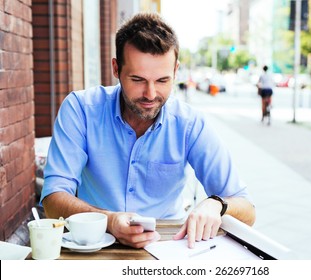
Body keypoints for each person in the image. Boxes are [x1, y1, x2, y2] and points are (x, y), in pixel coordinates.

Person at [40, 12, 255, 250]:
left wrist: (217, 204)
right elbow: (53, 198)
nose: (151, 94)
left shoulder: (190, 124)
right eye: (138, 79)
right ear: (116, 68)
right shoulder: (80, 109)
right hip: (94, 242)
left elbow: (247, 210)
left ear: (176, 70)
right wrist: (110, 221)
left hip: (167, 246)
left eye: (162, 80)